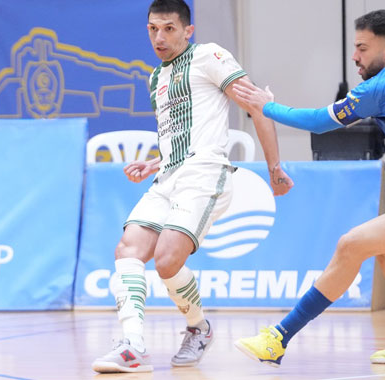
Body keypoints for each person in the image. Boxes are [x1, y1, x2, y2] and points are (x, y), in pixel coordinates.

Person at [232, 9, 385, 366]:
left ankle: (277, 338)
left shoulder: (384, 84)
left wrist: (267, 107)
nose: (354, 56)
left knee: (351, 244)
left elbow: (319, 121)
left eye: (362, 47)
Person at [91, 0, 293, 373]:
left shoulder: (210, 55)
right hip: (168, 175)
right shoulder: (156, 78)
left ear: (188, 30)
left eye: (168, 28)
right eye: (153, 29)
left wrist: (274, 168)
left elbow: (256, 108)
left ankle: (198, 327)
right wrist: (154, 162)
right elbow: (180, 133)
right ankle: (132, 345)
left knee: (167, 260)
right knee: (128, 249)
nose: (159, 37)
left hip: (205, 172)